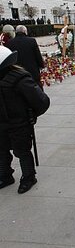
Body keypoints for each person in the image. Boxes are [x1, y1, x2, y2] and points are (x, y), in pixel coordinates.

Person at [0, 46, 50, 193]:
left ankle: (28, 177)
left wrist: (31, 116)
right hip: (1, 124)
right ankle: (5, 175)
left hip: (18, 124)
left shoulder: (19, 78)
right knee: (1, 151)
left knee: (22, 151)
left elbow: (41, 101)